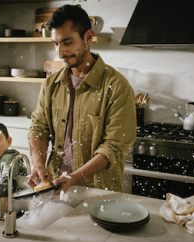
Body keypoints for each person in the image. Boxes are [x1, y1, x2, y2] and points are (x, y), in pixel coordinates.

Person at [27, 5, 136, 194]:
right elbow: (39, 128)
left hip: (97, 193)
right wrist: (38, 164)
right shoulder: (51, 84)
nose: (60, 52)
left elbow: (113, 148)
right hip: (54, 188)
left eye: (67, 42)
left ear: (88, 37)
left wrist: (74, 177)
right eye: (55, 43)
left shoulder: (117, 87)